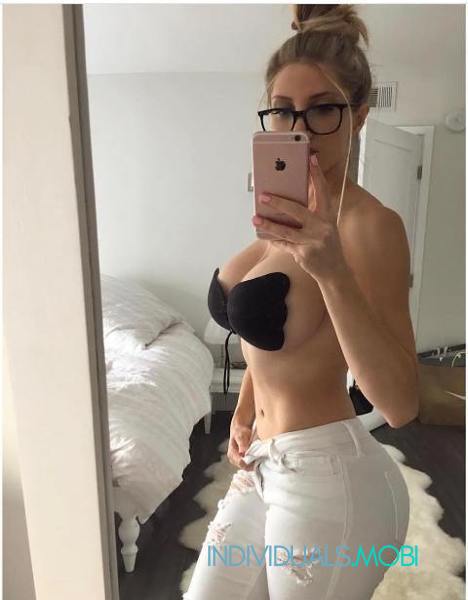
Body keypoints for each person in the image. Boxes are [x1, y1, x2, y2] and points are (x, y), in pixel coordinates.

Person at [184, 5, 418, 599]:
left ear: (358, 115)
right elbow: (272, 340)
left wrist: (333, 271)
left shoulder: (371, 227)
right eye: (283, 110)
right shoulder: (283, 217)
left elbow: (400, 404)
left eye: (322, 108)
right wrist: (243, 413)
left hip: (329, 479)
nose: (301, 127)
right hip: (262, 464)